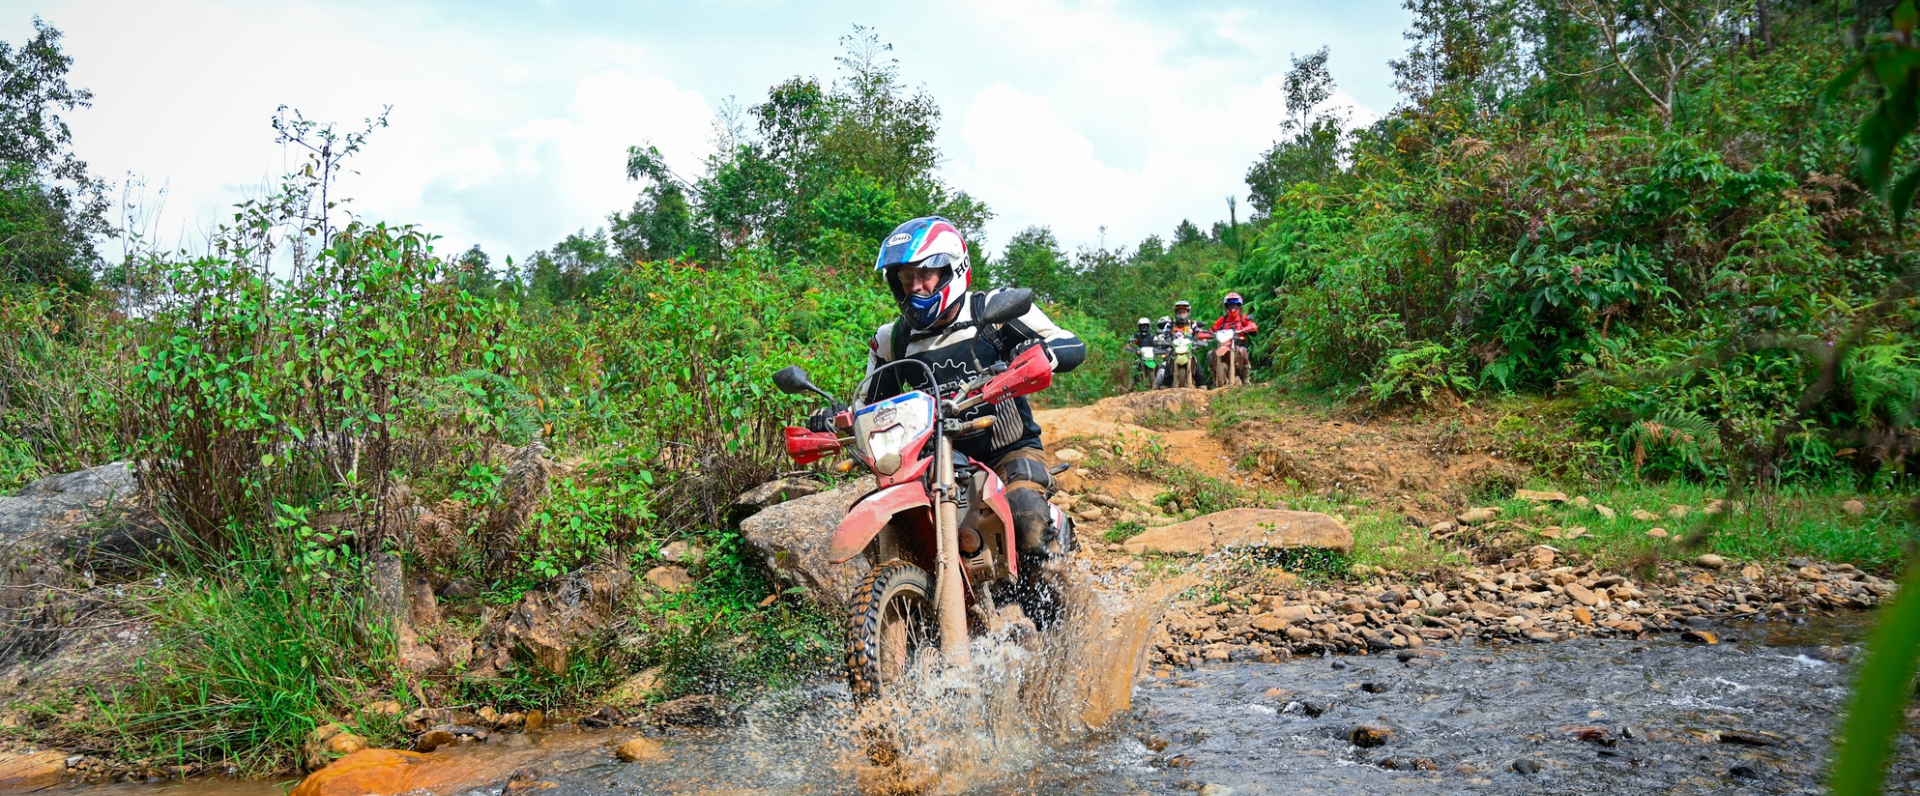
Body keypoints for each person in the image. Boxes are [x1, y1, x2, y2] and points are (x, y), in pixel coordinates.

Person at [831, 216, 1086, 566]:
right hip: (935, 462)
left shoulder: (992, 312)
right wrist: (833, 419)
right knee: (908, 529)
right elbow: (870, 403)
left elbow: (1068, 341)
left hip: (1008, 451)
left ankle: (1062, 577)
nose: (915, 287)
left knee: (1027, 519)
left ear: (953, 270)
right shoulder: (894, 339)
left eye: (925, 275)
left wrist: (1044, 356)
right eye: (906, 278)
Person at [1210, 293, 1257, 386]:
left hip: (1238, 344)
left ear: (1239, 306)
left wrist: (1247, 328)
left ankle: (1246, 378)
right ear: (1226, 306)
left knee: (1243, 352)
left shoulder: (1243, 318)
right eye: (1230, 305)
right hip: (1223, 345)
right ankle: (1215, 378)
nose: (1232, 308)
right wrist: (1206, 333)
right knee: (1210, 355)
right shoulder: (1222, 320)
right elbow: (1212, 329)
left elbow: (1252, 326)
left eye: (1235, 305)